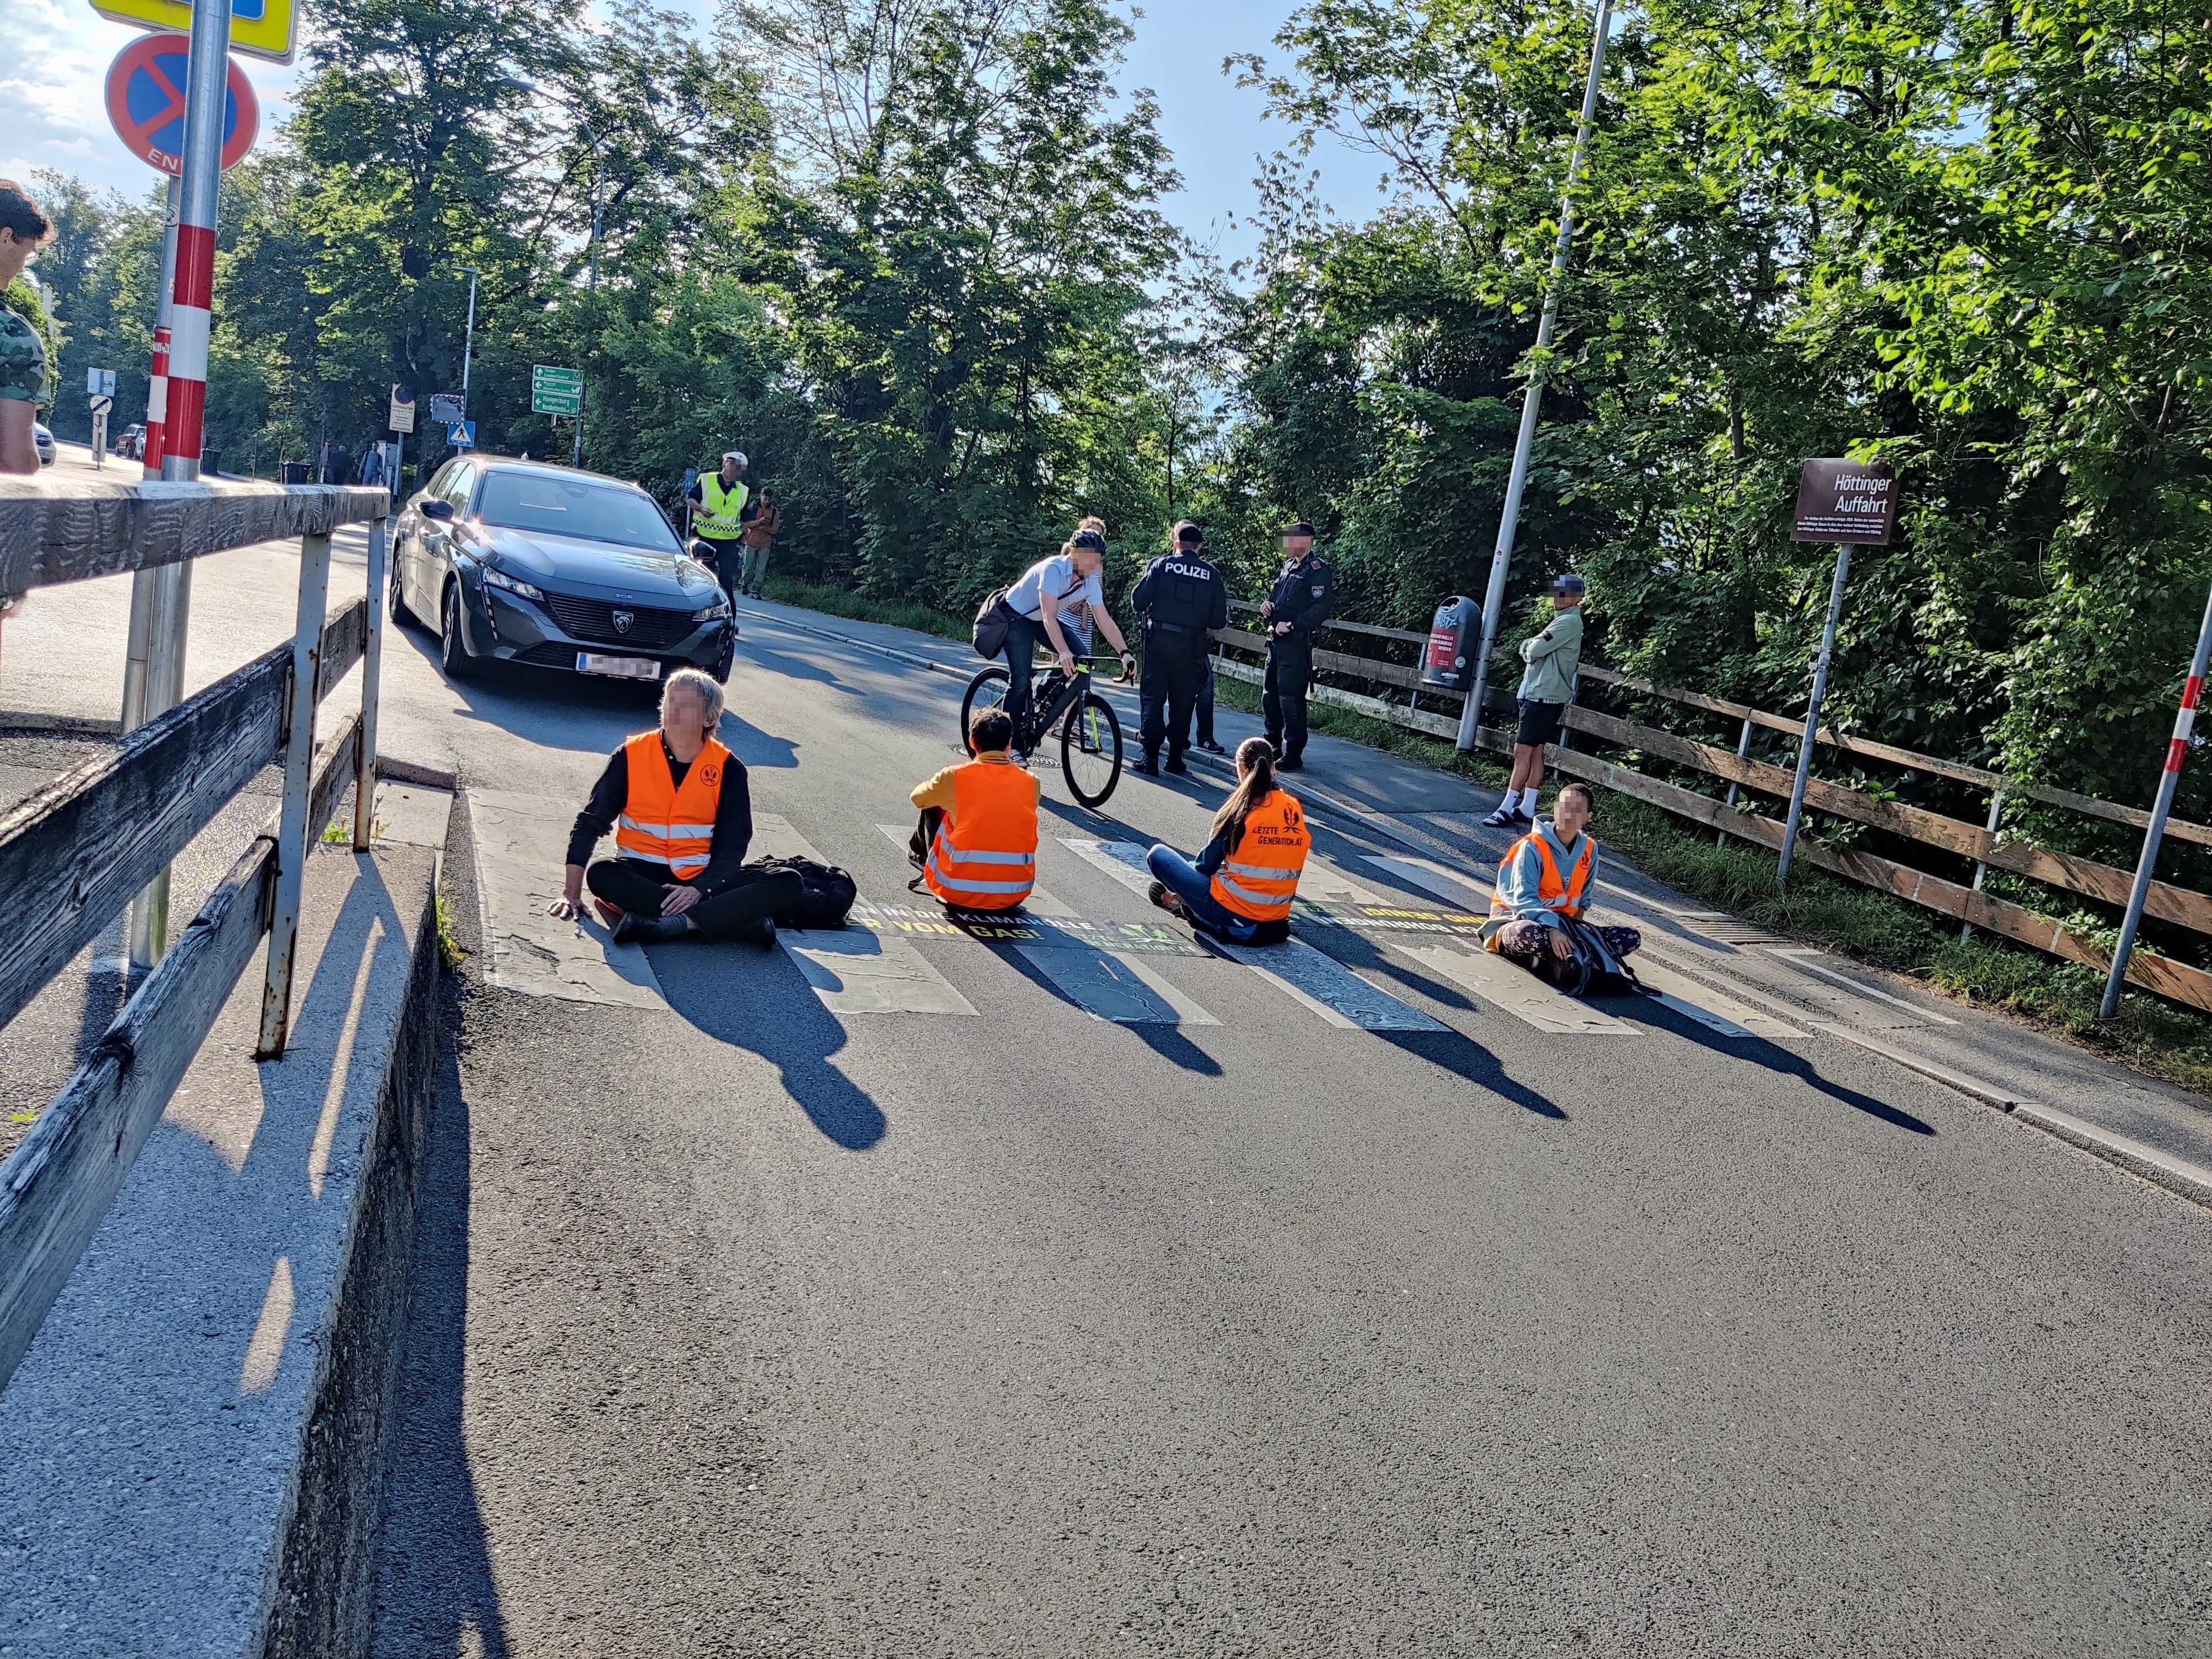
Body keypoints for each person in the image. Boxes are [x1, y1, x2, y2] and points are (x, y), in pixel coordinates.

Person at [549, 668, 801, 946]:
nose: (673, 710)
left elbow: (733, 847)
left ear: (709, 718)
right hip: (641, 875)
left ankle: (671, 924)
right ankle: (734, 923)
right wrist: (571, 894)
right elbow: (591, 822)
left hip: (702, 879)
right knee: (601, 873)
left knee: (788, 880)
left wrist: (699, 889)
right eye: (670, 701)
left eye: (686, 705)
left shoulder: (730, 768)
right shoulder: (631, 755)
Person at [1145, 737, 1311, 944]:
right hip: (1276, 919)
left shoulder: (1239, 809)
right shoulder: (1293, 808)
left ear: (1241, 769)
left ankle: (1185, 903)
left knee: (1158, 855)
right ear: (1273, 767)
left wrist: (1185, 878)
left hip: (1235, 914)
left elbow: (1205, 867)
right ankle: (1185, 902)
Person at [1481, 782, 1640, 984]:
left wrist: (1577, 933)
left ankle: (1557, 958)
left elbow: (1583, 900)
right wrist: (1552, 930)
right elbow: (1524, 899)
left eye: (1576, 810)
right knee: (1529, 934)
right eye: (1564, 806)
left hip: (1565, 926)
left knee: (1630, 937)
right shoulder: (1532, 846)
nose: (1568, 814)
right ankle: (1561, 958)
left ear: (1588, 817)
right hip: (1519, 920)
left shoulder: (1590, 848)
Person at [998, 524, 1135, 752]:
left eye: (1097, 561)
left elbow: (1104, 620)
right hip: (1017, 617)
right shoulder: (1054, 569)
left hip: (1040, 619)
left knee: (1081, 658)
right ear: (1074, 553)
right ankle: (1006, 746)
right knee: (1021, 681)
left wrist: (1125, 653)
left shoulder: (1090, 582)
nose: (1093, 565)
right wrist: (1063, 652)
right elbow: (1049, 617)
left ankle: (1039, 698)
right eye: (1089, 559)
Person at [910, 707, 1042, 912]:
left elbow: (918, 798)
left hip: (956, 891)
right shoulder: (1031, 782)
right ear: (1009, 745)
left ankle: (921, 857)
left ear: (972, 742)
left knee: (934, 802)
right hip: (1013, 895)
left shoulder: (955, 776)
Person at [1486, 573, 1586, 828]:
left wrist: (1530, 646)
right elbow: (1532, 648)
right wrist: (1530, 647)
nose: (1558, 597)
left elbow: (1534, 650)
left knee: (1522, 752)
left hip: (1543, 695)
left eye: (1564, 593)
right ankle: (1528, 806)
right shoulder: (1562, 621)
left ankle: (1505, 809)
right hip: (1543, 694)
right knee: (1536, 751)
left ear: (1577, 597)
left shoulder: (1568, 622)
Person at [1130, 520, 1228, 775]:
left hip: (1159, 642)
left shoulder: (1161, 565)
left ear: (1176, 543)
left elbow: (1138, 601)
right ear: (1200, 546)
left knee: (1153, 697)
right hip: (1191, 647)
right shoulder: (1212, 575)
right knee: (1184, 700)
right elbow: (1219, 620)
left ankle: (1150, 758)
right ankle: (1175, 758)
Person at [1260, 520, 1333, 771]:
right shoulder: (1288, 567)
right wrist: (1267, 606)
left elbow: (1320, 609)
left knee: (1290, 698)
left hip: (1295, 644)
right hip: (1275, 643)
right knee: (1270, 695)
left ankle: (1293, 753)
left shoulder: (1317, 570)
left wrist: (1291, 625)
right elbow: (1277, 600)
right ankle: (1272, 746)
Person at [0, 180, 53, 477]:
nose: (24, 264)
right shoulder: (14, 336)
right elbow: (14, 462)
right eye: (28, 252)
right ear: (6, 237)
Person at [685, 450, 750, 592]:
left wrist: (744, 540)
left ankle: (726, 605)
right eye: (733, 466)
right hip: (705, 537)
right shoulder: (708, 480)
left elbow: (745, 518)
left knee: (727, 580)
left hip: (729, 542)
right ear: (725, 464)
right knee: (703, 577)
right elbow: (690, 499)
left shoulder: (742, 490)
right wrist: (701, 509)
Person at [737, 487, 781, 598]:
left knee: (761, 569)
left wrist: (764, 528)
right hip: (751, 541)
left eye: (769, 499)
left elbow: (775, 530)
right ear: (761, 497)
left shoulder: (774, 512)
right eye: (765, 499)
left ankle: (756, 589)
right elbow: (746, 524)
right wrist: (759, 522)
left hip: (765, 544)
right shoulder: (753, 508)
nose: (767, 501)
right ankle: (744, 584)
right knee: (748, 566)